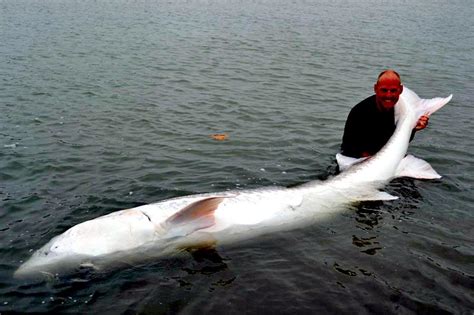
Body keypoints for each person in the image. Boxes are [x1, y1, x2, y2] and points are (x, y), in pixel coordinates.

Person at [340, 70, 429, 158]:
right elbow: (348, 149)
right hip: (356, 159)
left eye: (393, 90)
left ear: (401, 90)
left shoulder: (403, 111)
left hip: (386, 157)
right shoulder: (359, 112)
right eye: (384, 90)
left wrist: (413, 128)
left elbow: (398, 142)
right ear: (375, 89)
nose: (388, 95)